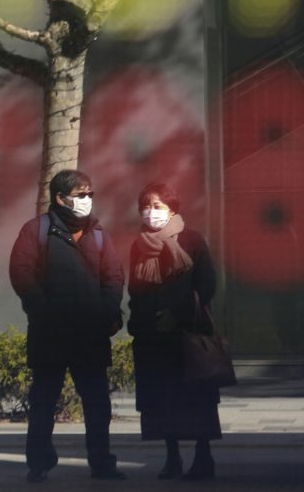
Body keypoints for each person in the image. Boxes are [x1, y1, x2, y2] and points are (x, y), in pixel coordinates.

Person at [9, 169, 126, 482]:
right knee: (44, 401)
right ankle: (39, 463)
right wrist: (43, 312)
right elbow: (21, 274)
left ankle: (102, 463)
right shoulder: (37, 230)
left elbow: (114, 276)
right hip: (50, 334)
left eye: (90, 194)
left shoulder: (98, 233)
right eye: (80, 195)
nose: (87, 200)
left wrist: (107, 311)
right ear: (60, 198)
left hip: (90, 335)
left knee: (97, 404)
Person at [128, 182, 220, 480]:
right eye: (146, 206)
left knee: (196, 400)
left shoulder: (192, 240)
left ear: (172, 209)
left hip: (187, 334)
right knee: (162, 400)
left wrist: (177, 315)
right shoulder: (138, 244)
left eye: (157, 206)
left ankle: (204, 457)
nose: (150, 212)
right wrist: (141, 321)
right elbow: (136, 289)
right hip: (152, 337)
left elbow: (206, 285)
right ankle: (172, 457)